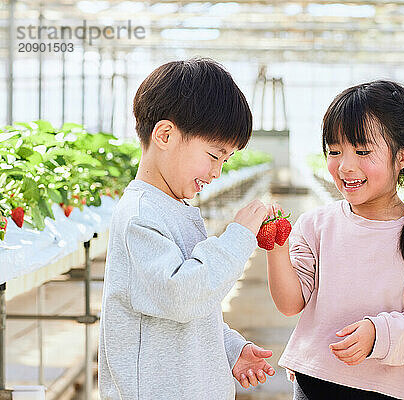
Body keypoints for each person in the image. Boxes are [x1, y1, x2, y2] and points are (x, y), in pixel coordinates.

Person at [98, 58, 274, 399]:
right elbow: (182, 297)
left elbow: (189, 311)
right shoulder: (141, 217)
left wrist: (229, 348)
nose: (217, 172)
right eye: (213, 155)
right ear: (165, 135)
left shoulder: (174, 208)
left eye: (225, 160)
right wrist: (238, 237)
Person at [266, 80, 404, 399]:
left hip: (387, 389)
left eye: (363, 151)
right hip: (315, 382)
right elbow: (290, 303)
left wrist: (378, 334)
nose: (345, 166)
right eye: (335, 151)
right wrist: (276, 248)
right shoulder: (316, 224)